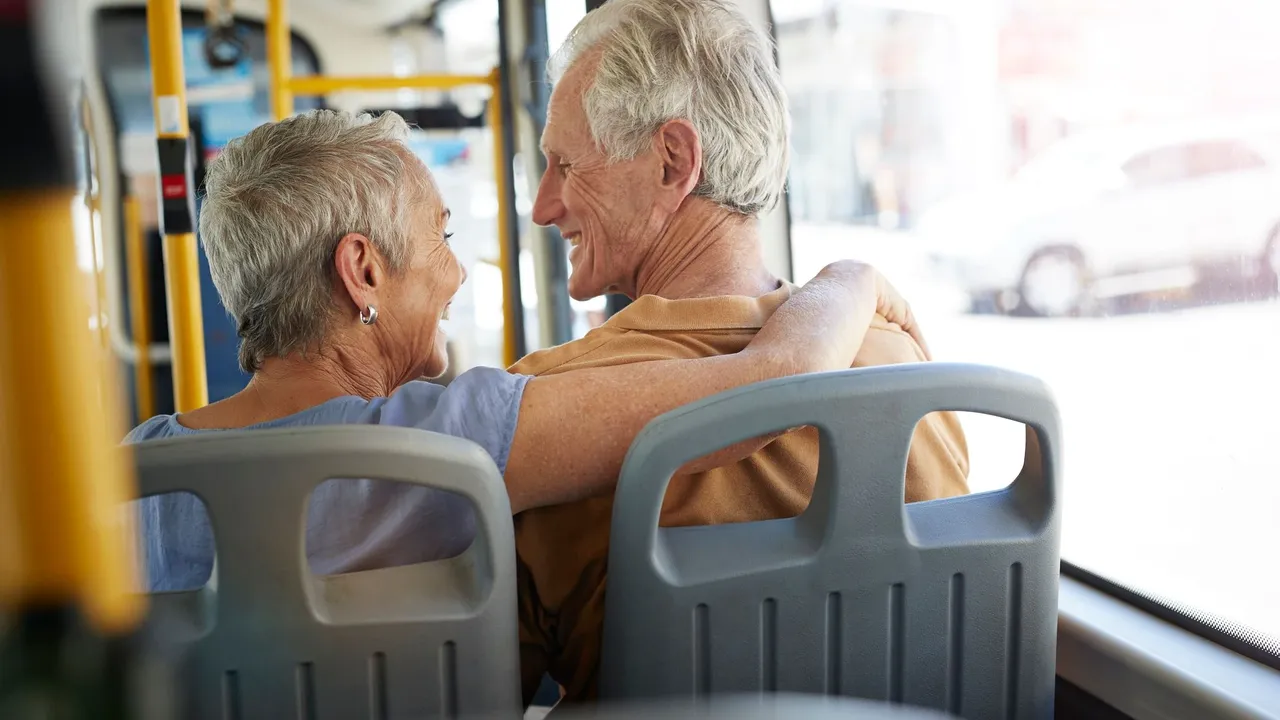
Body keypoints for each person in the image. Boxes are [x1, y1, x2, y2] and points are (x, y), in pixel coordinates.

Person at [124, 108, 921, 593]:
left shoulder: (129, 476)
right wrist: (853, 277)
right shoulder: (445, 443)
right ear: (362, 270)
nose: (458, 268)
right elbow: (769, 384)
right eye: (439, 235)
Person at [513, 0, 971, 705]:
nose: (543, 207)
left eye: (565, 165)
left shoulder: (551, 409)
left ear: (673, 161)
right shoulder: (908, 371)